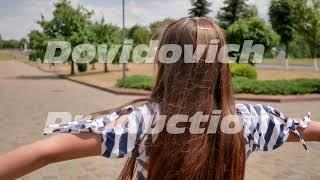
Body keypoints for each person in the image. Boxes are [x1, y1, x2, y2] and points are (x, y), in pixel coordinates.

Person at [0, 17, 319, 180]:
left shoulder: (144, 121)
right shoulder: (253, 120)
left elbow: (45, 153)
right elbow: (311, 129)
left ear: (167, 62)